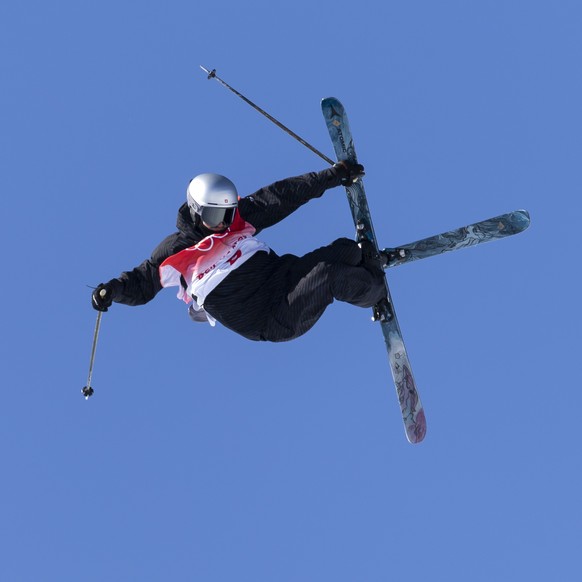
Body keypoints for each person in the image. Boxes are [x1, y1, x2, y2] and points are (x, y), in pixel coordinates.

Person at [91, 162, 388, 342]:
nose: (224, 224)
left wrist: (334, 176)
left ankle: (363, 269)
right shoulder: (176, 250)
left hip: (282, 276)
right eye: (215, 216)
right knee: (329, 275)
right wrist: (113, 291)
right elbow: (141, 282)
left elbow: (282, 196)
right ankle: (377, 290)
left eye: (228, 213)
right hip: (270, 314)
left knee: (345, 251)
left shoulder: (236, 218)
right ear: (196, 213)